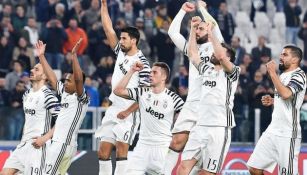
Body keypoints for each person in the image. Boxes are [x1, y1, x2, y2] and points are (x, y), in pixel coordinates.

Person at [163, 1, 224, 174]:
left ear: (210, 30)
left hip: (212, 106)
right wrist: (182, 11)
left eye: (201, 28)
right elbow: (172, 32)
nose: (198, 30)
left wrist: (202, 9)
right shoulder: (192, 49)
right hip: (193, 102)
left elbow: (216, 25)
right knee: (176, 142)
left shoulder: (217, 46)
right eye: (196, 29)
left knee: (202, 162)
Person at [94, 0, 151, 174]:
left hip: (129, 112)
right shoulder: (121, 52)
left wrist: (129, 111)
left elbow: (145, 95)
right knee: (103, 151)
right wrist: (103, 7)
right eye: (121, 38)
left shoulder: (143, 64)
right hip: (114, 108)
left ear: (134, 41)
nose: (121, 40)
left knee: (121, 149)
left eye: (124, 38)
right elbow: (108, 29)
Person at [177, 18, 240, 174]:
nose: (213, 52)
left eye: (218, 50)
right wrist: (192, 29)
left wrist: (211, 34)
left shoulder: (233, 72)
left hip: (219, 127)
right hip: (200, 125)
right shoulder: (206, 70)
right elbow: (192, 54)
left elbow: (221, 56)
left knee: (207, 172)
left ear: (228, 58)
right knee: (183, 166)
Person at [114, 62, 184, 174]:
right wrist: (131, 71)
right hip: (142, 147)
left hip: (162, 149)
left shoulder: (174, 99)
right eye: (150, 72)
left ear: (164, 77)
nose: (150, 74)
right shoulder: (143, 92)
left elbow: (185, 120)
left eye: (154, 72)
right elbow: (118, 90)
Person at [247, 45, 306, 175]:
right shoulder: (284, 74)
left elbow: (286, 94)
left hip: (288, 133)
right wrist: (274, 100)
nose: (280, 57)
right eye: (281, 54)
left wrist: (272, 73)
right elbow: (286, 97)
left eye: (285, 55)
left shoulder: (299, 75)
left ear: (295, 59)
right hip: (272, 130)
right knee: (254, 168)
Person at [36, 39, 89, 175]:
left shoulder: (81, 99)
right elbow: (52, 78)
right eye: (65, 80)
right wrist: (41, 56)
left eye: (68, 81)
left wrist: (74, 56)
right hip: (61, 143)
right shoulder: (65, 93)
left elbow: (78, 79)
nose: (65, 83)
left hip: (63, 144)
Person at [1, 62, 60, 175]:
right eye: (33, 68)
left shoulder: (49, 96)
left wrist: (45, 138)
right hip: (23, 145)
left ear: (44, 76)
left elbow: (63, 120)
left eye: (37, 69)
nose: (32, 70)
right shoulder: (26, 94)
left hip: (37, 147)